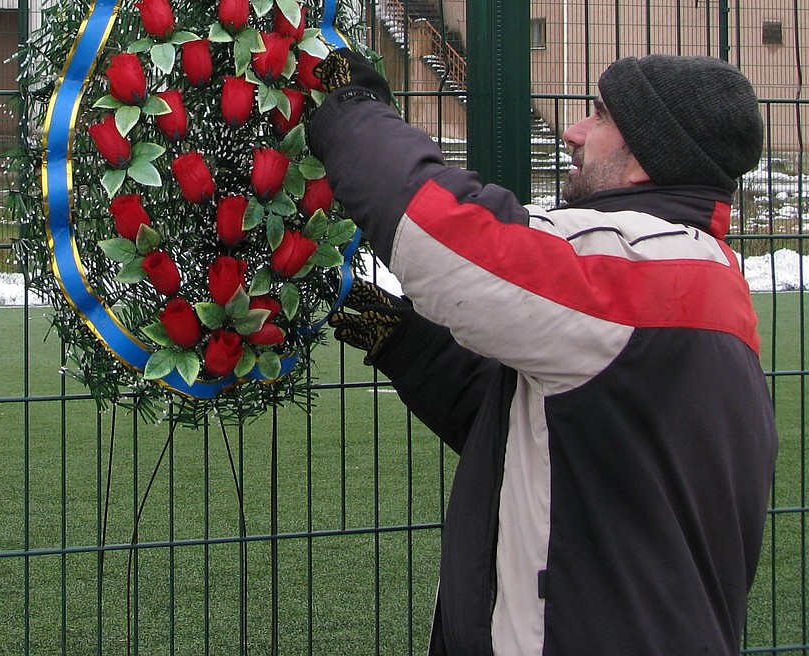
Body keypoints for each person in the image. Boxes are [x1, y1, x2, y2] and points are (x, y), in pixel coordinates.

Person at [308, 50, 777, 656]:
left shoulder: (649, 266)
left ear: (644, 159)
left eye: (600, 117)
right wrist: (407, 344)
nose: (575, 133)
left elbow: (448, 235)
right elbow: (557, 431)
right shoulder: (690, 268)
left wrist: (354, 111)